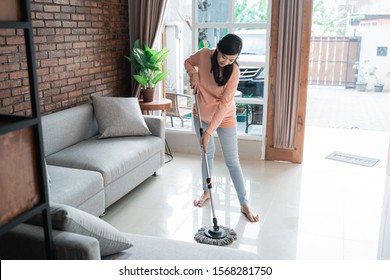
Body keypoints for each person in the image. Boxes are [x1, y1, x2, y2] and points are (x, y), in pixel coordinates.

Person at [184, 33, 260, 223]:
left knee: (232, 160)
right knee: (206, 154)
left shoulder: (234, 72)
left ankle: (244, 203)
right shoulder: (203, 55)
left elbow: (224, 104)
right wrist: (193, 74)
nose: (226, 61)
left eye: (232, 59)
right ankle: (206, 192)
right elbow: (187, 62)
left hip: (224, 117)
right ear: (217, 49)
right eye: (223, 57)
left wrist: (209, 132)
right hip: (201, 114)